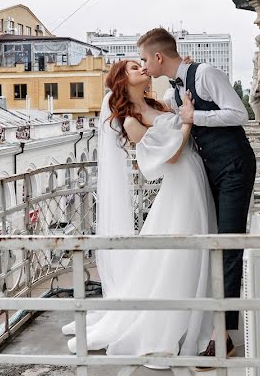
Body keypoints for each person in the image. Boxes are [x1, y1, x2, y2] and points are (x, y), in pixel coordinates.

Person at [61, 60, 216, 360]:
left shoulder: (156, 103)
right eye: (134, 67)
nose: (142, 68)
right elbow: (164, 159)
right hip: (180, 180)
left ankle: (202, 314)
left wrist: (184, 114)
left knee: (197, 245)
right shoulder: (131, 121)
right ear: (122, 79)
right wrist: (187, 121)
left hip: (196, 173)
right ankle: (172, 324)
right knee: (180, 253)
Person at [138, 27, 257, 363]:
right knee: (215, 245)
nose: (144, 65)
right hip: (210, 170)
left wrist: (196, 116)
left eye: (145, 59)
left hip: (234, 165)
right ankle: (213, 325)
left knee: (228, 244)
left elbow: (240, 114)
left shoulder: (205, 74)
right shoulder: (175, 92)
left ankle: (224, 337)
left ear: (159, 57)